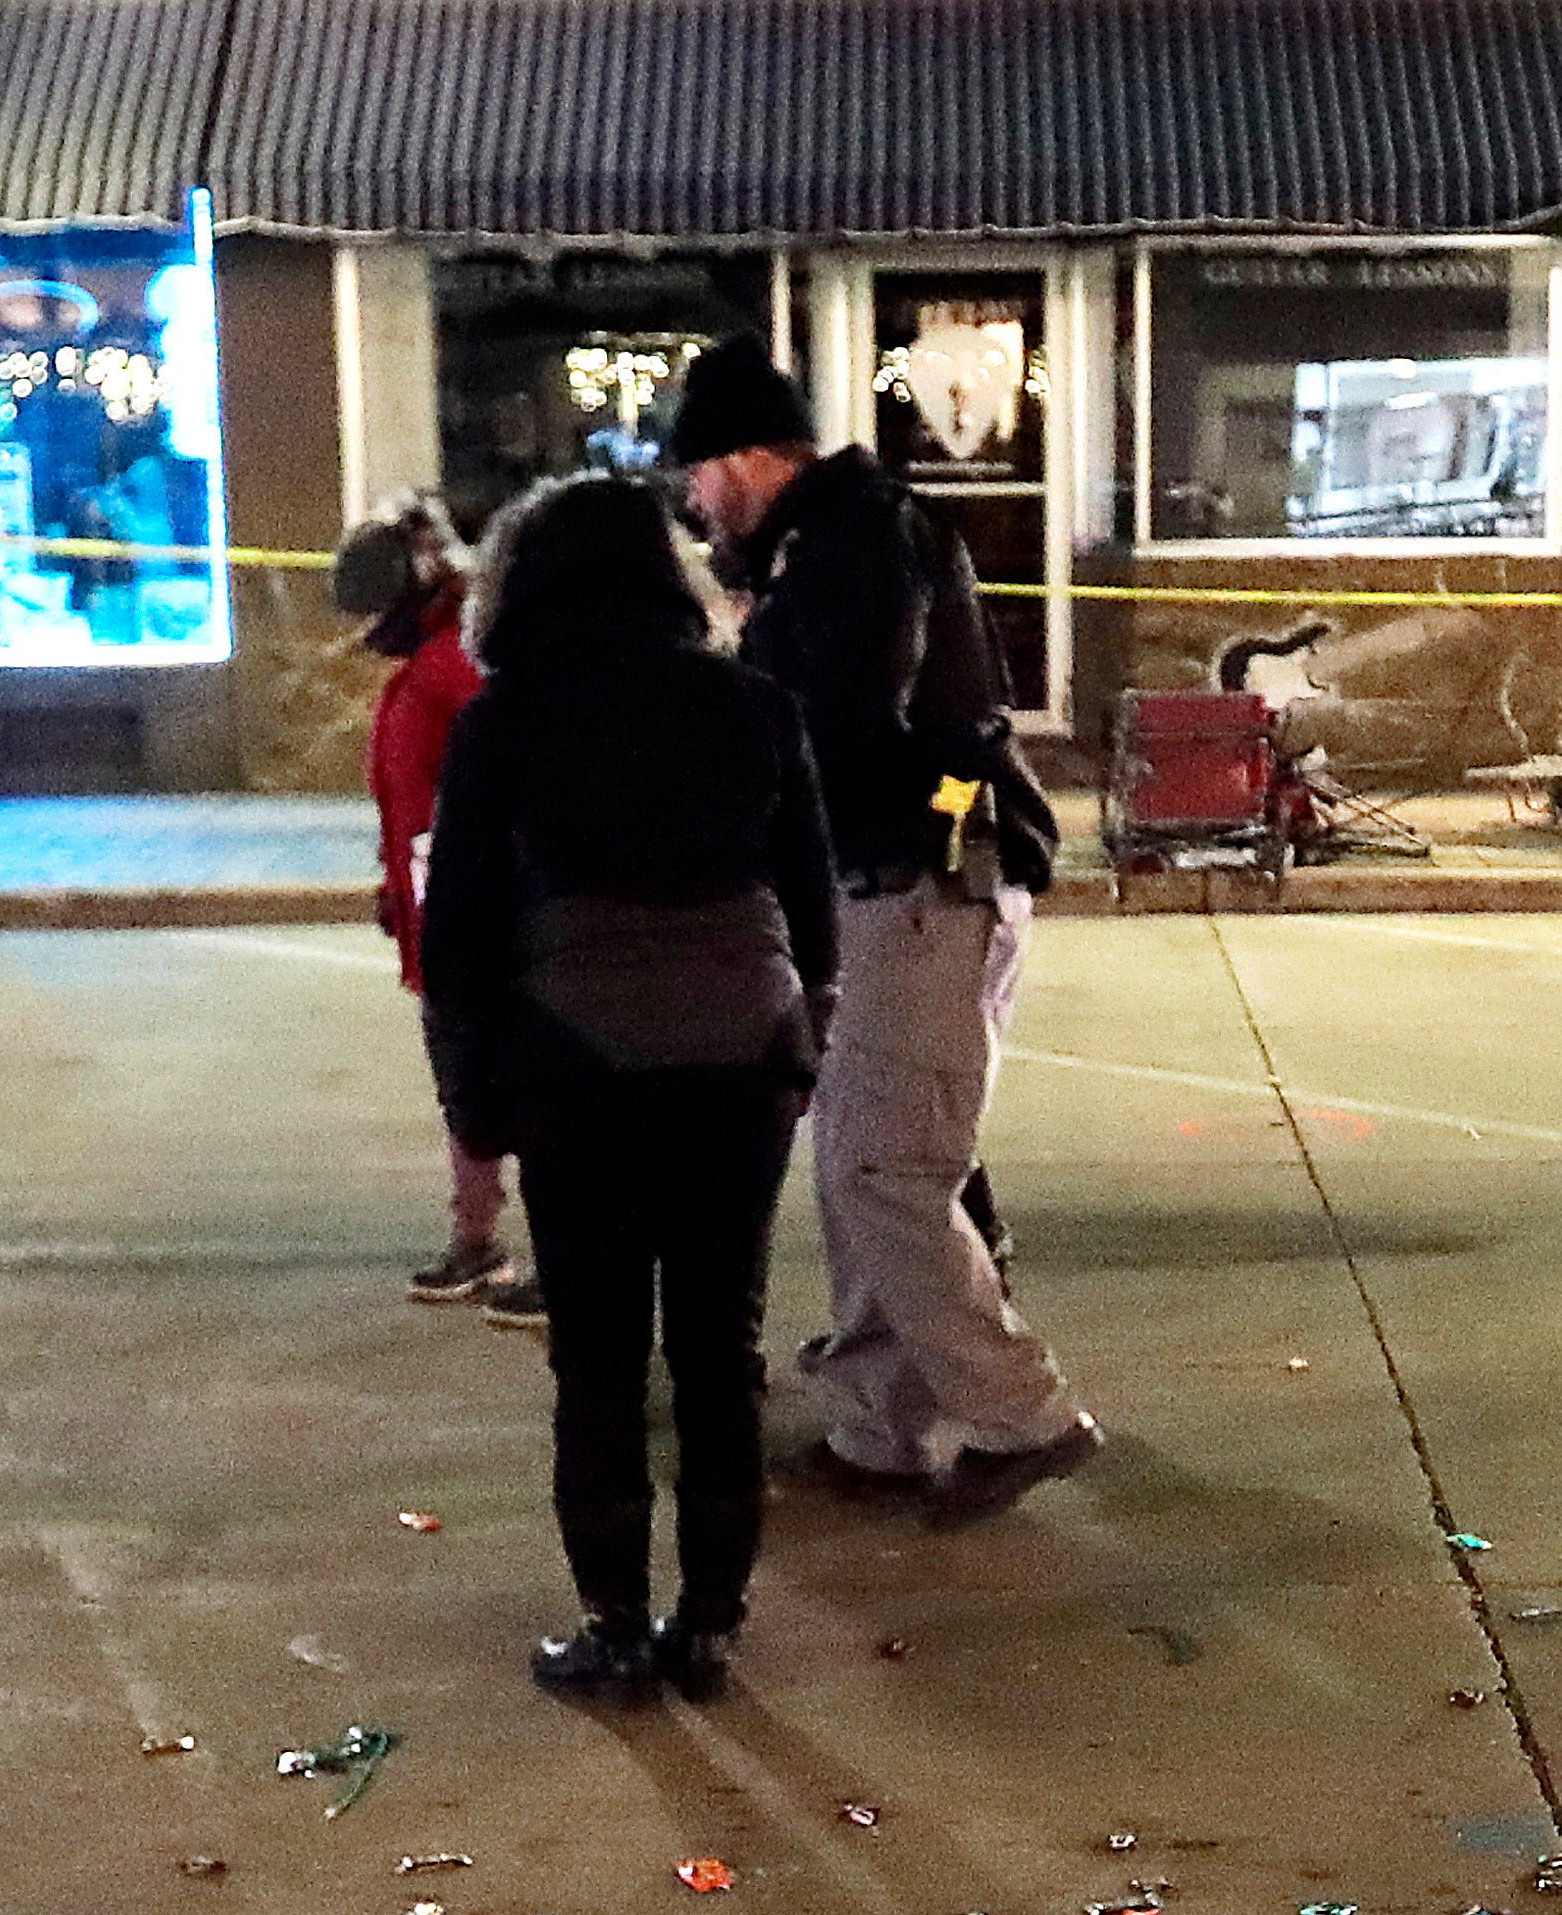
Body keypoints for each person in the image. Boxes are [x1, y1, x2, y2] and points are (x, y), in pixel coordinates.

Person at [416, 476, 839, 1699]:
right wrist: (800, 1038)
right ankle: (711, 1621)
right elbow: (812, 906)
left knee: (598, 1357)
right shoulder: (753, 705)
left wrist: (475, 1102)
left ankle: (613, 1624)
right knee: (721, 1347)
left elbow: (464, 938)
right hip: (738, 1057)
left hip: (576, 1056)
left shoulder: (507, 722)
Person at [663, 342, 1092, 1503]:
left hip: (924, 882)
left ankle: (1023, 1414)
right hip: (896, 883)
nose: (696, 504)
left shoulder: (850, 537)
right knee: (863, 1161)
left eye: (698, 475)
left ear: (751, 457)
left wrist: (741, 725)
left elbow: (837, 721)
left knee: (885, 1170)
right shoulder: (837, 534)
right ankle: (879, 1427)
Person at [337, 504, 530, 1320]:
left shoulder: (453, 670)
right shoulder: (431, 668)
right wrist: (398, 895)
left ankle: (531, 1250)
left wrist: (437, 909)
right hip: (443, 916)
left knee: (508, 1089)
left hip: (475, 921)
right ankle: (476, 1241)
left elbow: (461, 809)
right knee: (468, 1090)